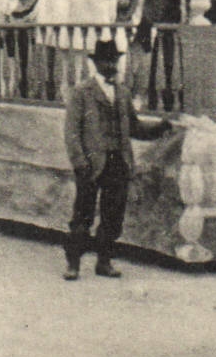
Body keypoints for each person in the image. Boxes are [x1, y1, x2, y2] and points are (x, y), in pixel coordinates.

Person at [61, 38, 170, 280]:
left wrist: (160, 128)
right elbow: (71, 132)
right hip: (91, 163)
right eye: (107, 61)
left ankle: (104, 262)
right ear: (96, 63)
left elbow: (134, 127)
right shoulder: (81, 92)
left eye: (114, 61)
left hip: (118, 161)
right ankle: (73, 264)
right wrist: (80, 162)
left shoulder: (122, 92)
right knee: (83, 215)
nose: (111, 65)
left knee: (113, 215)